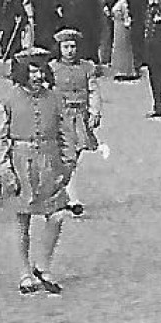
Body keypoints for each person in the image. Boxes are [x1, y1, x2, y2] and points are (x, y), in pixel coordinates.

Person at [0, 48, 76, 295]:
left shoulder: (56, 98)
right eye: (31, 71)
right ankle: (24, 272)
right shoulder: (7, 100)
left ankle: (43, 266)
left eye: (40, 70)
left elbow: (66, 133)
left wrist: (68, 164)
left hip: (49, 163)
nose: (37, 76)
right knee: (22, 221)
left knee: (57, 215)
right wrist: (5, 172)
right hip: (20, 164)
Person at [50, 28, 101, 216]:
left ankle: (63, 192)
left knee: (74, 157)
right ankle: (72, 198)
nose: (70, 51)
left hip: (80, 116)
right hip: (61, 116)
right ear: (59, 48)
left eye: (73, 47)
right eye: (66, 47)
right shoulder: (52, 68)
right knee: (66, 156)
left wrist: (95, 111)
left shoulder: (87, 68)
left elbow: (93, 90)